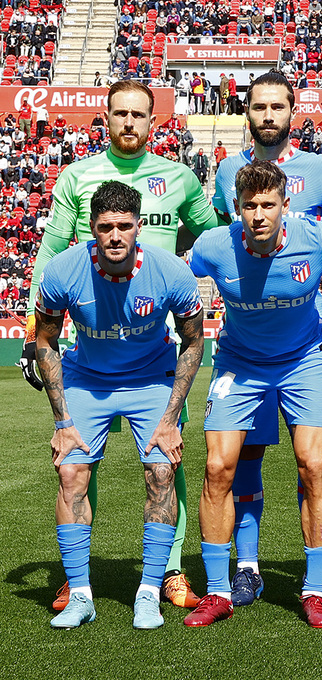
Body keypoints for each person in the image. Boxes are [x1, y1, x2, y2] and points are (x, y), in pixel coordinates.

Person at [20, 80, 218, 612]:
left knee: (162, 462)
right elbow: (54, 249)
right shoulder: (76, 176)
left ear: (153, 122)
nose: (129, 123)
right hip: (89, 332)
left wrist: (176, 277)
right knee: (79, 465)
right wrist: (35, 323)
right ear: (105, 118)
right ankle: (77, 575)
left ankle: (168, 571)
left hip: (152, 331)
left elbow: (212, 234)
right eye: (119, 114)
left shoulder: (178, 177)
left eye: (139, 115)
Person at [184, 160, 322, 628]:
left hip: (305, 362)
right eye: (249, 206)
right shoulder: (213, 247)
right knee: (219, 466)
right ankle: (219, 590)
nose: (258, 215)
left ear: (285, 205)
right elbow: (181, 274)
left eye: (268, 205)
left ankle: (315, 587)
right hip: (239, 364)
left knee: (314, 463)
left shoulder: (316, 237)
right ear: (235, 208)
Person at [35, 181, 205, 630]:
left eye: (124, 227)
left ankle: (148, 591)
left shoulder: (171, 271)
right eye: (106, 227)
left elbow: (192, 343)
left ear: (139, 227)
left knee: (162, 469)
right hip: (87, 379)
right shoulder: (63, 271)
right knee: (71, 470)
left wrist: (170, 420)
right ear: (91, 228)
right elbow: (45, 342)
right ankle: (81, 595)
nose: (115, 236)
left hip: (150, 378)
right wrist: (63, 421)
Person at [211, 70, 322, 606]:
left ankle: (319, 576)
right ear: (247, 112)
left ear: (294, 112)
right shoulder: (226, 171)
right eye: (259, 107)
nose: (268, 116)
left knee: (312, 462)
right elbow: (225, 242)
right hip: (245, 348)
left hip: (303, 346)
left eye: (278, 107)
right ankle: (245, 567)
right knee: (243, 459)